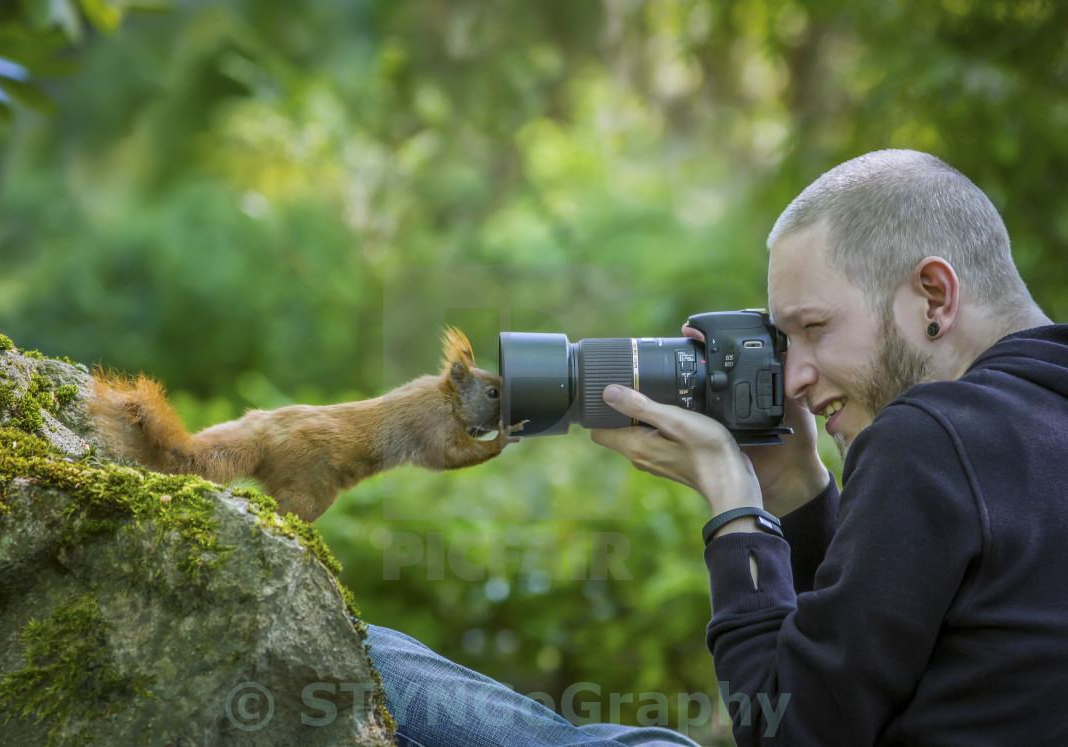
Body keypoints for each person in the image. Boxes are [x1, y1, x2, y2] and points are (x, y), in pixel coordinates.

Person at [366, 149, 1068, 745]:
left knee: (372, 664)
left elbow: (789, 728)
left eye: (815, 327)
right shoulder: (1031, 421)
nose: (795, 376)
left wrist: (734, 507)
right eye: (784, 342)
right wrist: (794, 485)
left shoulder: (931, 433)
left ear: (934, 297)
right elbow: (868, 671)